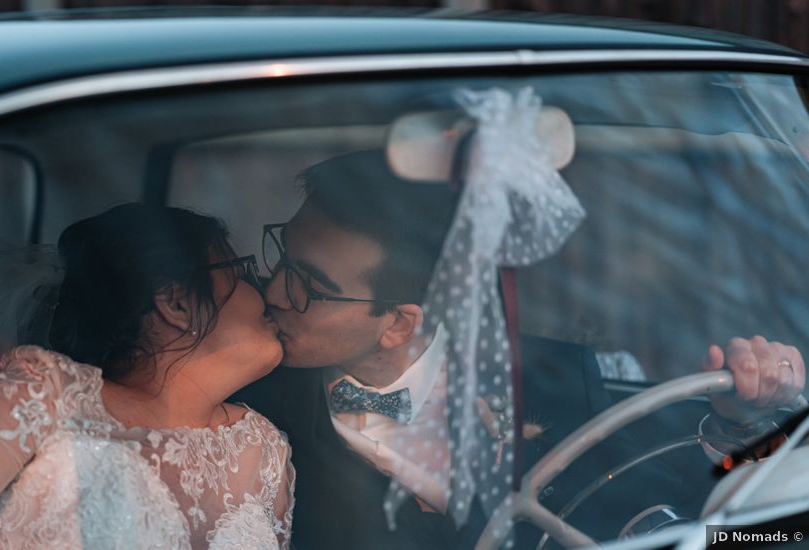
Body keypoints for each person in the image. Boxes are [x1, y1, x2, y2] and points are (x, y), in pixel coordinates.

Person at [233, 150, 805, 549]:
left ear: (399, 325)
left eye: (306, 285)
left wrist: (739, 430)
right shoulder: (246, 410)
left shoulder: (552, 374)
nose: (272, 289)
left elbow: (670, 509)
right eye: (282, 255)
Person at [0, 204, 295, 550]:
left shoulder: (262, 449)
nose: (262, 288)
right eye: (240, 272)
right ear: (177, 303)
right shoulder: (41, 394)